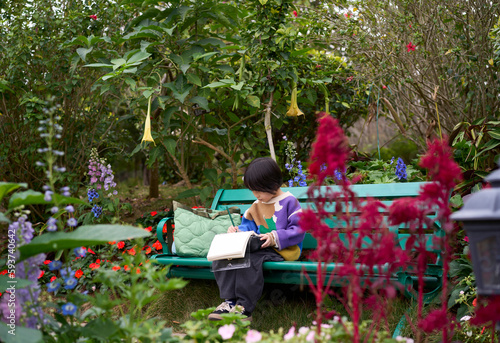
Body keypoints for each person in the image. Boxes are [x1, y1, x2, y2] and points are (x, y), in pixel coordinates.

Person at [208, 157, 305, 321]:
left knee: (251, 260)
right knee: (225, 254)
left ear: (273, 184)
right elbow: (248, 227)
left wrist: (275, 237)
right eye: (253, 190)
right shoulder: (256, 205)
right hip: (260, 246)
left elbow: (299, 230)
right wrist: (238, 231)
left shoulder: (290, 202)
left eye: (259, 190)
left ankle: (244, 307)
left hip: (282, 250)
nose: (256, 195)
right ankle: (229, 302)